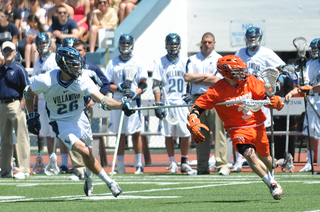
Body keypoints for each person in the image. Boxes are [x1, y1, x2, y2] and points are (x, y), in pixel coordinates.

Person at [25, 46, 134, 196]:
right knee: (84, 150)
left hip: (80, 118)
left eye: (78, 64)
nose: (78, 68)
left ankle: (89, 178)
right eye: (74, 65)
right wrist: (31, 115)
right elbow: (28, 93)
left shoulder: (82, 79)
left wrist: (122, 106)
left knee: (89, 153)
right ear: (63, 65)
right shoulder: (46, 79)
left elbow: (103, 100)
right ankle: (110, 183)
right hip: (61, 122)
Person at [187, 55, 285, 200]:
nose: (243, 73)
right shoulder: (217, 90)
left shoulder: (250, 80)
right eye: (238, 71)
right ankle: (272, 184)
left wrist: (272, 101)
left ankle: (270, 176)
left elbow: (264, 96)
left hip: (257, 126)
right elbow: (198, 107)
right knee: (249, 154)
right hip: (237, 129)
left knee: (267, 159)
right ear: (227, 73)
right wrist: (193, 119)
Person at [234, 26, 285, 173]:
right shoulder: (240, 53)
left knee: (262, 129)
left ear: (259, 39)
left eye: (254, 38)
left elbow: (281, 69)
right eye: (249, 38)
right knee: (240, 128)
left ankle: (266, 160)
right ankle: (239, 161)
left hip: (260, 96)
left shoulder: (266, 53)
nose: (251, 40)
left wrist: (278, 84)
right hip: (243, 96)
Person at [63, 38, 111, 180]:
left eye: (79, 50)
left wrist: (94, 99)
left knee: (85, 139)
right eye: (74, 50)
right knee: (72, 138)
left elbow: (106, 84)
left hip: (85, 107)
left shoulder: (91, 68)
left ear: (85, 52)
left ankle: (89, 169)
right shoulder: (66, 67)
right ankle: (79, 169)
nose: (77, 53)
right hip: (70, 108)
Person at [184, 32, 230, 175]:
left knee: (219, 133)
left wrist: (197, 79)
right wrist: (206, 76)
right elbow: (187, 77)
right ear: (201, 43)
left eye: (209, 42)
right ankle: (202, 167)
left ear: (214, 43)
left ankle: (222, 165)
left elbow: (217, 80)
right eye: (205, 42)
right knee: (199, 133)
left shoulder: (219, 59)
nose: (207, 44)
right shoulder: (192, 59)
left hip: (215, 99)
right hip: (197, 99)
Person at [152, 33, 196, 174]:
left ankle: (184, 161)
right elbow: (156, 85)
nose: (173, 47)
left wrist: (190, 93)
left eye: (175, 44)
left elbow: (191, 80)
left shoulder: (185, 60)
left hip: (182, 102)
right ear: (167, 45)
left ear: (179, 45)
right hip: (168, 101)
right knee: (168, 134)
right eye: (171, 44)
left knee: (185, 133)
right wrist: (158, 103)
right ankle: (172, 162)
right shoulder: (160, 62)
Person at [106, 34, 147, 174]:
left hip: (133, 101)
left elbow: (144, 84)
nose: (125, 46)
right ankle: (121, 165)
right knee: (120, 134)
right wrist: (119, 88)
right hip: (117, 101)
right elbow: (106, 85)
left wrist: (135, 92)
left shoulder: (138, 61)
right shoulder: (112, 63)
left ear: (132, 44)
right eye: (123, 43)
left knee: (135, 133)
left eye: (127, 43)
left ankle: (139, 164)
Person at [285, 38, 320, 172]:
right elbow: (305, 83)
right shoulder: (311, 64)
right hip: (313, 101)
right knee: (310, 132)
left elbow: (311, 87)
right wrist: (292, 92)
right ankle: (310, 162)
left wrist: (309, 89)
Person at [0, 41, 30, 179]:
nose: (7, 52)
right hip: (2, 105)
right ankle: (6, 170)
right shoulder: (0, 69)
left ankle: (24, 169)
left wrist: (22, 104)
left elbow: (27, 88)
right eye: (5, 50)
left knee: (21, 137)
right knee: (5, 139)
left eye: (10, 50)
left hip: (15, 104)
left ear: (15, 52)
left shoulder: (19, 68)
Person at [32, 32, 60, 176]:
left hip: (53, 99)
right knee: (48, 133)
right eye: (39, 44)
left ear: (48, 43)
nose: (42, 46)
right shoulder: (38, 61)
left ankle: (63, 162)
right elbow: (35, 83)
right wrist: (35, 104)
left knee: (56, 132)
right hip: (42, 100)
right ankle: (51, 162)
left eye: (44, 43)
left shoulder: (54, 58)